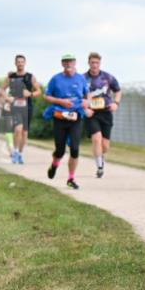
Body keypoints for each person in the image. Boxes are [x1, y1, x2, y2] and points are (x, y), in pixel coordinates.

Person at [43, 54, 90, 189]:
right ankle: (54, 165)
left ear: (75, 63)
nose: (68, 64)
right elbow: (46, 96)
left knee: (75, 149)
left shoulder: (81, 78)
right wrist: (60, 101)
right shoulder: (56, 79)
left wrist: (87, 101)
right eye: (65, 62)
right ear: (62, 64)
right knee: (60, 150)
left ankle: (71, 178)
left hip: (76, 117)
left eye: (70, 61)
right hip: (60, 117)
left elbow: (87, 94)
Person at [83, 52, 121, 178]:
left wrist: (116, 103)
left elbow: (118, 90)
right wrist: (84, 109)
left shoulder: (108, 77)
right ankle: (99, 167)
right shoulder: (82, 78)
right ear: (88, 63)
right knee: (96, 139)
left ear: (100, 63)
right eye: (92, 62)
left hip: (105, 112)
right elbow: (77, 96)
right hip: (91, 113)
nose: (94, 65)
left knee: (105, 145)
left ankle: (100, 155)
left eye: (97, 63)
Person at [8, 55, 41, 163]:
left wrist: (30, 93)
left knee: (25, 133)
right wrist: (7, 98)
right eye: (18, 62)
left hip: (27, 107)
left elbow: (39, 91)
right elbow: (2, 90)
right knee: (17, 129)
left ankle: (20, 154)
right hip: (15, 107)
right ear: (15, 63)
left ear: (25, 63)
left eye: (22, 62)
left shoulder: (30, 77)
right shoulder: (11, 76)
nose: (20, 63)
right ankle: (15, 152)